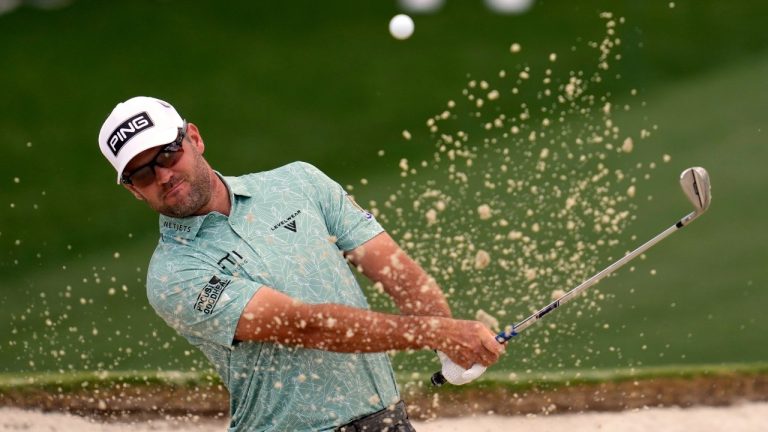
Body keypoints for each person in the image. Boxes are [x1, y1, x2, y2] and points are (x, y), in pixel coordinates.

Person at [97, 96, 504, 431]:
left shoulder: (298, 183)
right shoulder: (174, 275)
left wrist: (446, 343)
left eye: (168, 153)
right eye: (142, 173)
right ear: (133, 190)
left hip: (388, 422)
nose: (164, 175)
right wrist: (437, 331)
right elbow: (304, 325)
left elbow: (394, 269)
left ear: (194, 138)